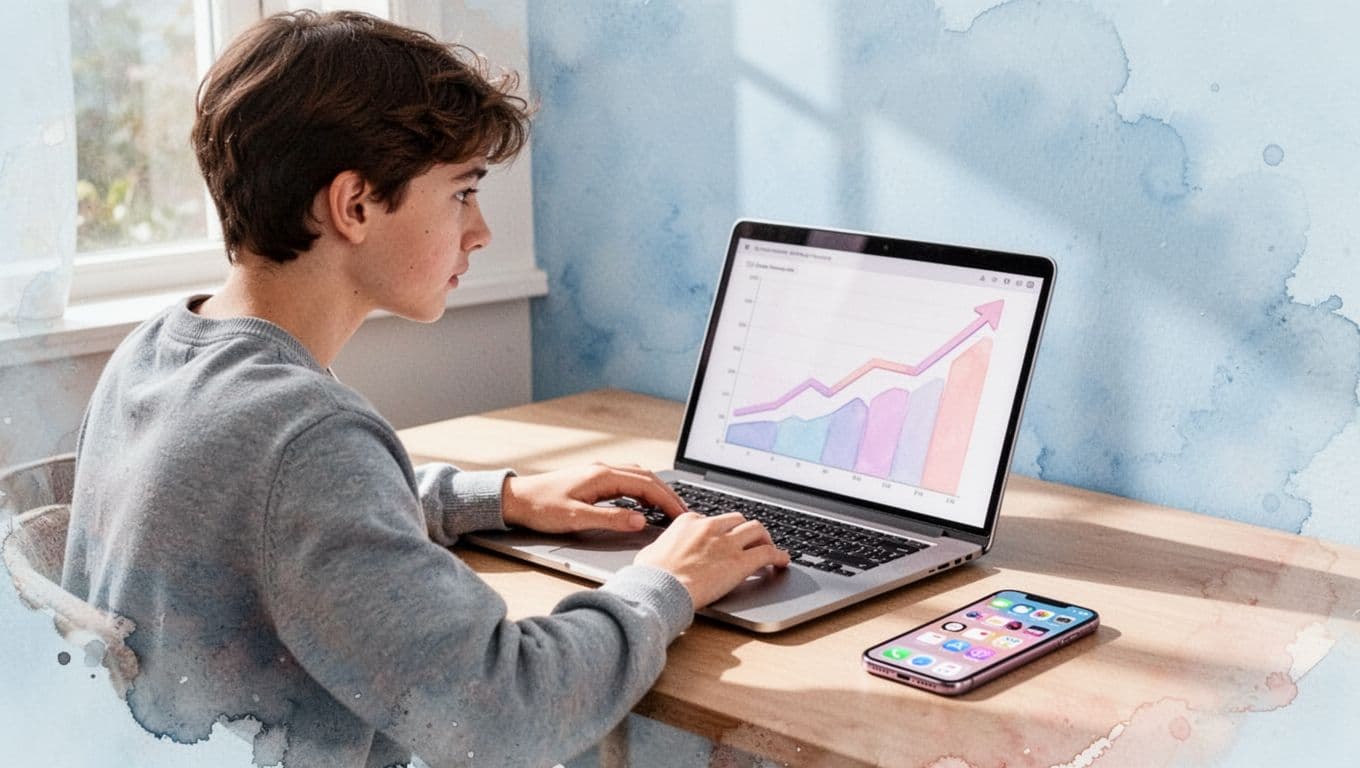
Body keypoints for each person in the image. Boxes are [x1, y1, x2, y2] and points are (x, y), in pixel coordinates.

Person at [61, 10, 788, 768]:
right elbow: (509, 715)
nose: (480, 233)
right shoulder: (307, 436)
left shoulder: (159, 352)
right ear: (354, 205)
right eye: (461, 193)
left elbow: (273, 519)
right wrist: (664, 583)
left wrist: (498, 498)